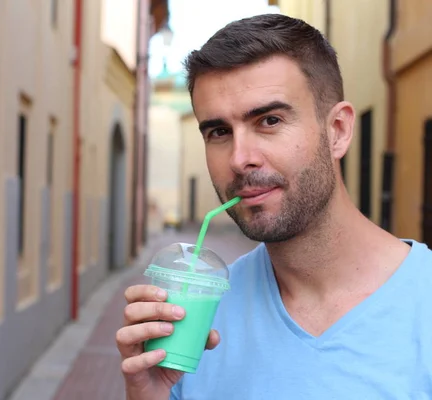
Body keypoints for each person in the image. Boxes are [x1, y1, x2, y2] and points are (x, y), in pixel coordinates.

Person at [115, 13, 432, 400]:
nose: (239, 158)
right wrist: (147, 395)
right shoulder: (197, 317)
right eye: (218, 132)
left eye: (269, 120)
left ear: (338, 131)